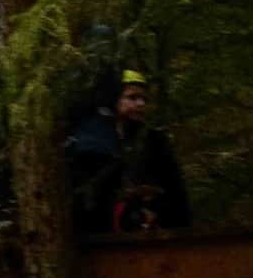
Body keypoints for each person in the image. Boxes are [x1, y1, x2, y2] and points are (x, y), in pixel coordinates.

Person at [67, 70, 191, 234]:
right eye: (132, 97)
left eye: (144, 99)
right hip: (99, 229)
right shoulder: (91, 137)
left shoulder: (154, 141)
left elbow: (174, 189)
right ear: (114, 99)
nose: (141, 104)